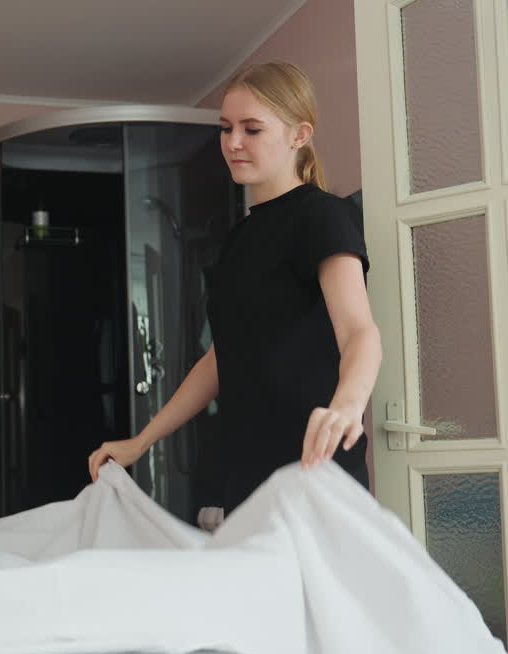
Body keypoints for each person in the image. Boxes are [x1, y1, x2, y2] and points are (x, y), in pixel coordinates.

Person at [88, 61, 382, 526]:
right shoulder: (239, 238)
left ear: (298, 135)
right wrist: (142, 442)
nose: (233, 143)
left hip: (315, 466)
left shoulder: (323, 217)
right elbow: (222, 358)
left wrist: (346, 407)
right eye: (226, 128)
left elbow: (360, 331)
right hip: (247, 470)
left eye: (252, 129)